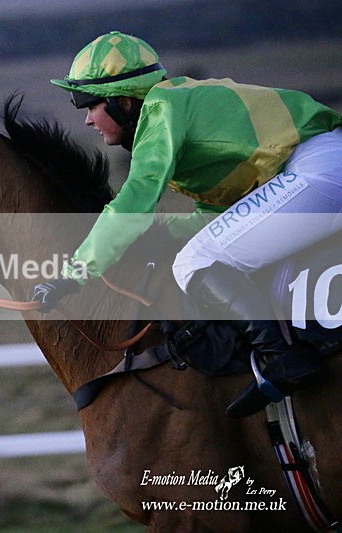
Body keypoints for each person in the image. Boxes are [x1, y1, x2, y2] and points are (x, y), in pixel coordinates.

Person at [32, 31, 342, 417]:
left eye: (88, 103)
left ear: (123, 102)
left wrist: (75, 275)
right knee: (205, 248)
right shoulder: (177, 108)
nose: (86, 118)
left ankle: (283, 360)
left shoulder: (162, 109)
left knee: (197, 260)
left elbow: (136, 198)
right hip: (319, 165)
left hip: (321, 169)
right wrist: (157, 234)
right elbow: (216, 216)